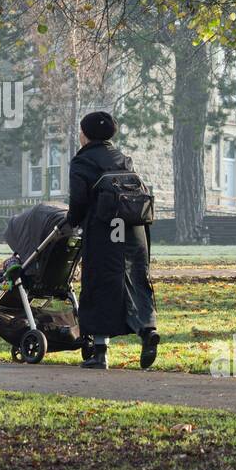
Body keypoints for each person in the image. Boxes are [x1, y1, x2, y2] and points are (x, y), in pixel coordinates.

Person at [67, 110, 160, 371]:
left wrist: (72, 220)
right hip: (133, 230)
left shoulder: (82, 162)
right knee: (136, 279)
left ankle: (100, 352)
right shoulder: (123, 159)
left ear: (86, 135)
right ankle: (147, 329)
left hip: (104, 231)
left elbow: (78, 201)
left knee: (100, 283)